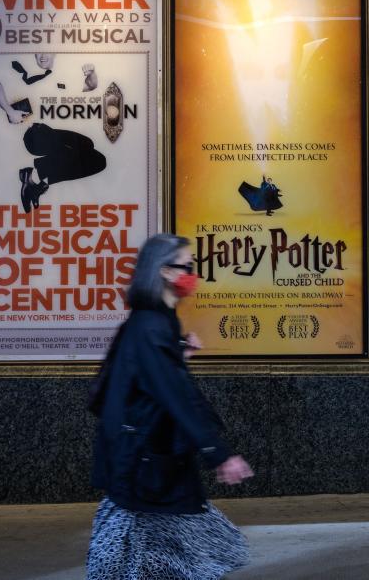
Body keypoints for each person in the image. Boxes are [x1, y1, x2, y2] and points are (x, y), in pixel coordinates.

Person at [88, 233, 253, 580]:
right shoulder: (150, 326)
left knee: (161, 555)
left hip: (146, 459)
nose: (193, 275)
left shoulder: (155, 321)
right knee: (179, 552)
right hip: (144, 462)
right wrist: (219, 453)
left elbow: (152, 378)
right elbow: (174, 395)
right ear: (164, 271)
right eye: (187, 266)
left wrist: (177, 352)